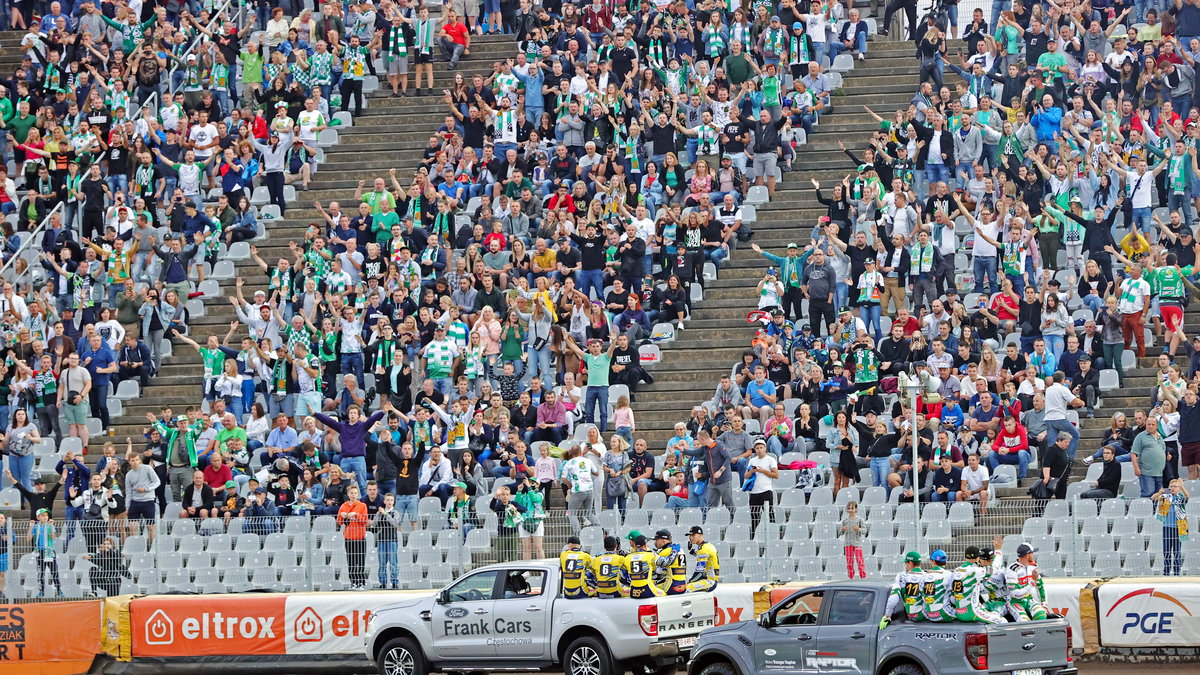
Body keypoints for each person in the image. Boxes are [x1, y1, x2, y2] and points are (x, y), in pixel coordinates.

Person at [1153, 479, 1190, 576]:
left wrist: (1182, 487)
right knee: (1166, 551)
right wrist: (1159, 493)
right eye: (1172, 486)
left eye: (1175, 486)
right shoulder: (1165, 497)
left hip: (1178, 528)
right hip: (1167, 527)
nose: (1173, 488)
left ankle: (1177, 572)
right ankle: (1166, 572)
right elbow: (1153, 498)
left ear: (1179, 488)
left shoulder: (1180, 498)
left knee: (1177, 552)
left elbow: (1187, 496)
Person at [1003, 543, 1048, 621]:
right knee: (1024, 620)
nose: (1033, 555)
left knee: (1041, 614)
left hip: (1028, 599)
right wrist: (1032, 582)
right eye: (1032, 553)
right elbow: (1015, 592)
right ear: (1027, 555)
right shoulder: (1011, 570)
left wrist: (1044, 604)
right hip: (1015, 602)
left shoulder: (1032, 567)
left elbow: (1040, 585)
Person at [337, 483, 369, 589]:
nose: (353, 495)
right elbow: (339, 522)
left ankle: (361, 582)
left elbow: (364, 520)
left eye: (355, 493)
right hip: (349, 538)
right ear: (348, 494)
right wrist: (342, 516)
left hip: (360, 537)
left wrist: (356, 515)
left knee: (360, 561)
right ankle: (353, 582)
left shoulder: (362, 505)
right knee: (351, 561)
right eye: (351, 493)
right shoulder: (343, 506)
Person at [880, 551, 925, 627]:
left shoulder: (901, 577)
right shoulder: (928, 576)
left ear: (910, 563)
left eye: (906, 564)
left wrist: (887, 616)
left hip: (910, 617)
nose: (905, 566)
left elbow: (893, 599)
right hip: (927, 617)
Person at [624, 534, 663, 598]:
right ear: (645, 545)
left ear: (634, 546)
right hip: (648, 591)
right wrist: (675, 551)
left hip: (633, 592)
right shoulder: (650, 555)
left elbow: (622, 576)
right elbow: (667, 562)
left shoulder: (627, 557)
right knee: (665, 593)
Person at [652, 530, 687, 595]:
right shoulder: (680, 549)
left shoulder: (665, 552)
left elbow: (659, 572)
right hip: (683, 585)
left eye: (657, 540)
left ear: (663, 540)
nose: (655, 542)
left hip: (671, 586)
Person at [685, 526, 719, 592]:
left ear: (700, 535)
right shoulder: (706, 546)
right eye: (690, 536)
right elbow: (700, 554)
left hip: (710, 581)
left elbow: (699, 572)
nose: (691, 537)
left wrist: (690, 581)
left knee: (687, 588)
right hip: (708, 579)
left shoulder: (704, 548)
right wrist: (691, 550)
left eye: (693, 535)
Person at [841, 501, 866, 579]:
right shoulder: (845, 521)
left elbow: (864, 531)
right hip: (848, 544)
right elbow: (840, 533)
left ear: (856, 509)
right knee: (849, 562)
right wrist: (842, 530)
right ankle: (851, 578)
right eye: (849, 508)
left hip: (857, 544)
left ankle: (863, 578)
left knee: (860, 561)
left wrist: (858, 529)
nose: (851, 510)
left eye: (852, 508)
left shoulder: (859, 520)